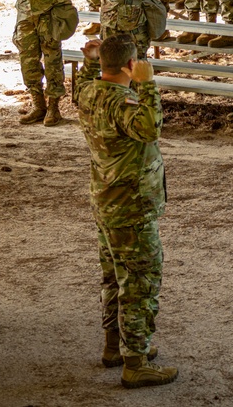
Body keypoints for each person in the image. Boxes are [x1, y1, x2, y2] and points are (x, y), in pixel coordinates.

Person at [72, 35, 177, 389]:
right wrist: (148, 86)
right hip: (132, 208)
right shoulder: (124, 103)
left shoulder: (89, 93)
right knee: (139, 284)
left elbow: (81, 86)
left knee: (114, 279)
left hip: (106, 203)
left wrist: (90, 60)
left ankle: (115, 347)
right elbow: (150, 127)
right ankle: (136, 364)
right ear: (130, 65)